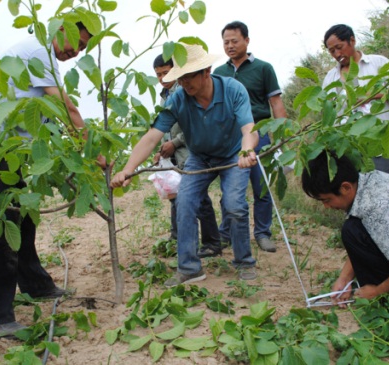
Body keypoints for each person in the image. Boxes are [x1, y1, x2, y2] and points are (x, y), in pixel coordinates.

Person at [0, 22, 99, 338]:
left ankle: (35, 285)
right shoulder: (39, 52)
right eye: (76, 42)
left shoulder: (45, 62)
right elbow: (67, 108)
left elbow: (49, 117)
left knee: (23, 221)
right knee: (0, 230)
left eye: (82, 49)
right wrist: (91, 152)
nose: (75, 52)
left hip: (12, 151)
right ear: (59, 29)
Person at [111, 43, 259, 286]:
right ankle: (189, 268)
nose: (185, 83)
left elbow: (248, 128)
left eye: (190, 76)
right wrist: (128, 169)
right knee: (185, 203)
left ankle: (244, 262)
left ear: (207, 71)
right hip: (199, 157)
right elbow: (151, 137)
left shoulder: (233, 89)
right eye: (181, 77)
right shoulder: (178, 99)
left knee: (234, 205)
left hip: (234, 154)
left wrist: (247, 149)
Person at [213, 21, 287, 253]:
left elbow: (275, 103)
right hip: (230, 139)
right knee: (230, 188)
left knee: (261, 185)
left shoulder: (264, 68)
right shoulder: (219, 73)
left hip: (260, 133)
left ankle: (263, 233)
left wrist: (281, 136)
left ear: (247, 40)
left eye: (235, 41)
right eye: (226, 42)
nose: (230, 46)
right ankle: (226, 232)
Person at [301, 151, 389, 306]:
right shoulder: (367, 184)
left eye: (327, 200)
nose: (326, 206)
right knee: (355, 229)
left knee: (351, 231)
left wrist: (377, 291)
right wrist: (344, 279)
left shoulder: (378, 206)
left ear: (345, 187)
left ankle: (387, 302)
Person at [152, 54, 222, 257]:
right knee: (176, 196)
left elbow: (196, 125)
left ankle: (211, 242)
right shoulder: (164, 95)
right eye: (158, 75)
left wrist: (174, 143)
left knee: (199, 198)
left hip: (189, 152)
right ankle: (177, 237)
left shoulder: (185, 92)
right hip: (173, 156)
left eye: (166, 73)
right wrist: (161, 151)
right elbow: (164, 129)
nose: (162, 78)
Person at [323, 24, 389, 174]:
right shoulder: (330, 78)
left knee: (381, 188)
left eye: (339, 47)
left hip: (379, 143)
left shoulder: (378, 63)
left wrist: (371, 96)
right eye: (332, 51)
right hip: (349, 148)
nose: (337, 54)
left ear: (352, 40)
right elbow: (328, 114)